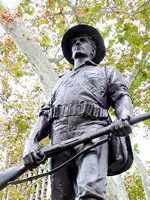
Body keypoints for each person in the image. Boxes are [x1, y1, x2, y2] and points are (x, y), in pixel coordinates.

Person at [23, 24, 133, 200]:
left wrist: (125, 117)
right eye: (74, 42)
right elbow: (45, 114)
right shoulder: (59, 82)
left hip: (93, 133)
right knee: (59, 196)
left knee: (90, 191)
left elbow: (121, 97)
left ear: (93, 49)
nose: (77, 43)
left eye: (83, 40)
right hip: (58, 139)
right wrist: (31, 142)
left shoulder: (106, 72)